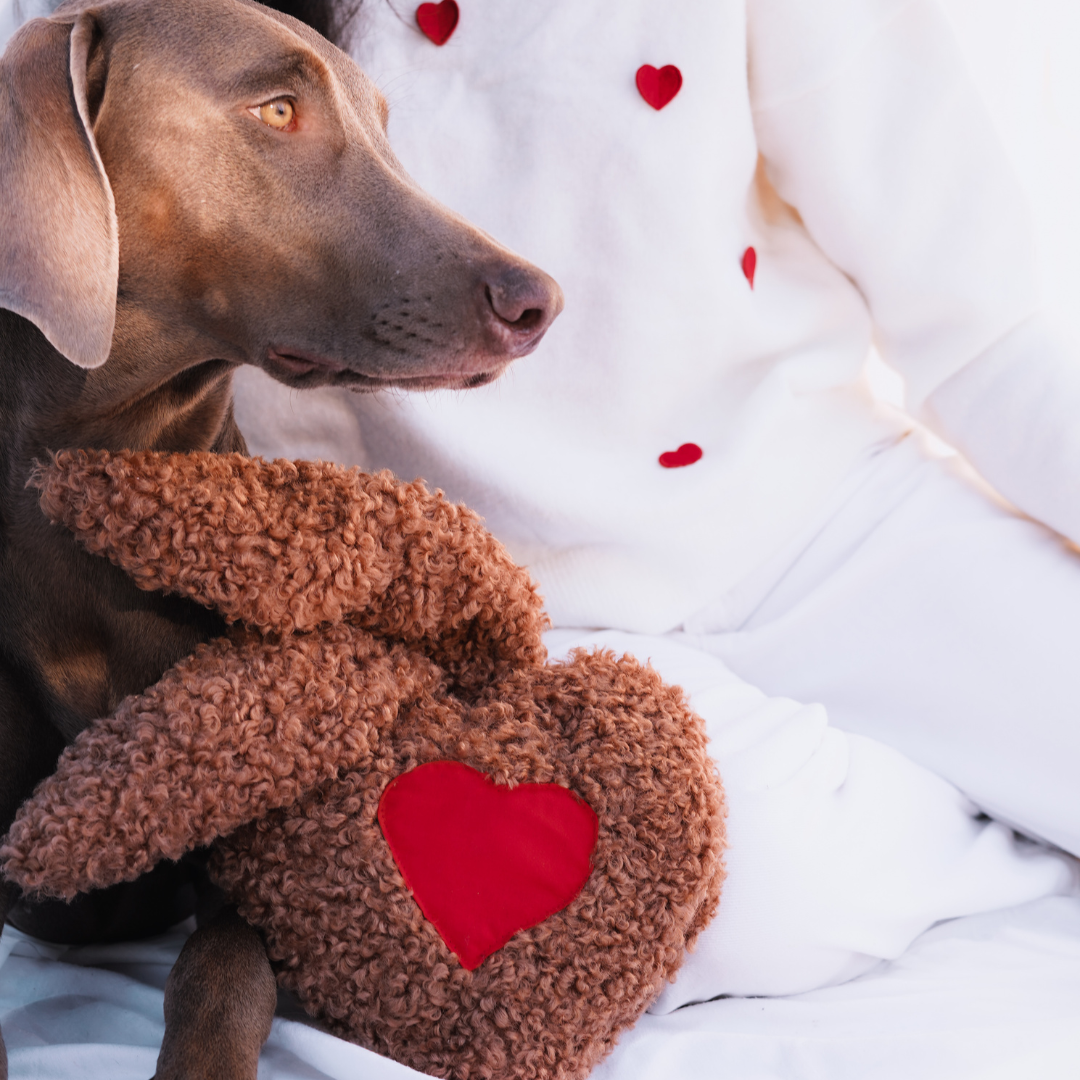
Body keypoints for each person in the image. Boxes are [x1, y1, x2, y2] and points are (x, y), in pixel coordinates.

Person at [238, 0, 1080, 1005]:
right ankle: (993, 832)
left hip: (836, 525)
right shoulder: (206, 40)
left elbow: (979, 328)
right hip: (530, 632)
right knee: (745, 900)